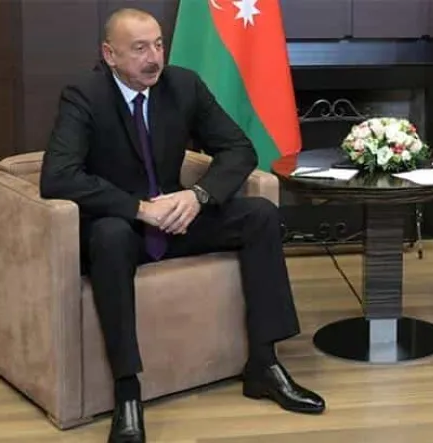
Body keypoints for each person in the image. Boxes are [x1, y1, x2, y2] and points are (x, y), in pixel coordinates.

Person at [40, 8, 325, 443]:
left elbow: (238, 149)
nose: (154, 58)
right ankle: (128, 392)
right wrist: (138, 209)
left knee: (260, 215)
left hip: (177, 219)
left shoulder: (183, 84)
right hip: (122, 228)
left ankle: (264, 365)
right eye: (139, 49)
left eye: (158, 45)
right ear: (110, 54)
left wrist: (198, 196)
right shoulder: (85, 95)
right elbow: (58, 176)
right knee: (109, 236)